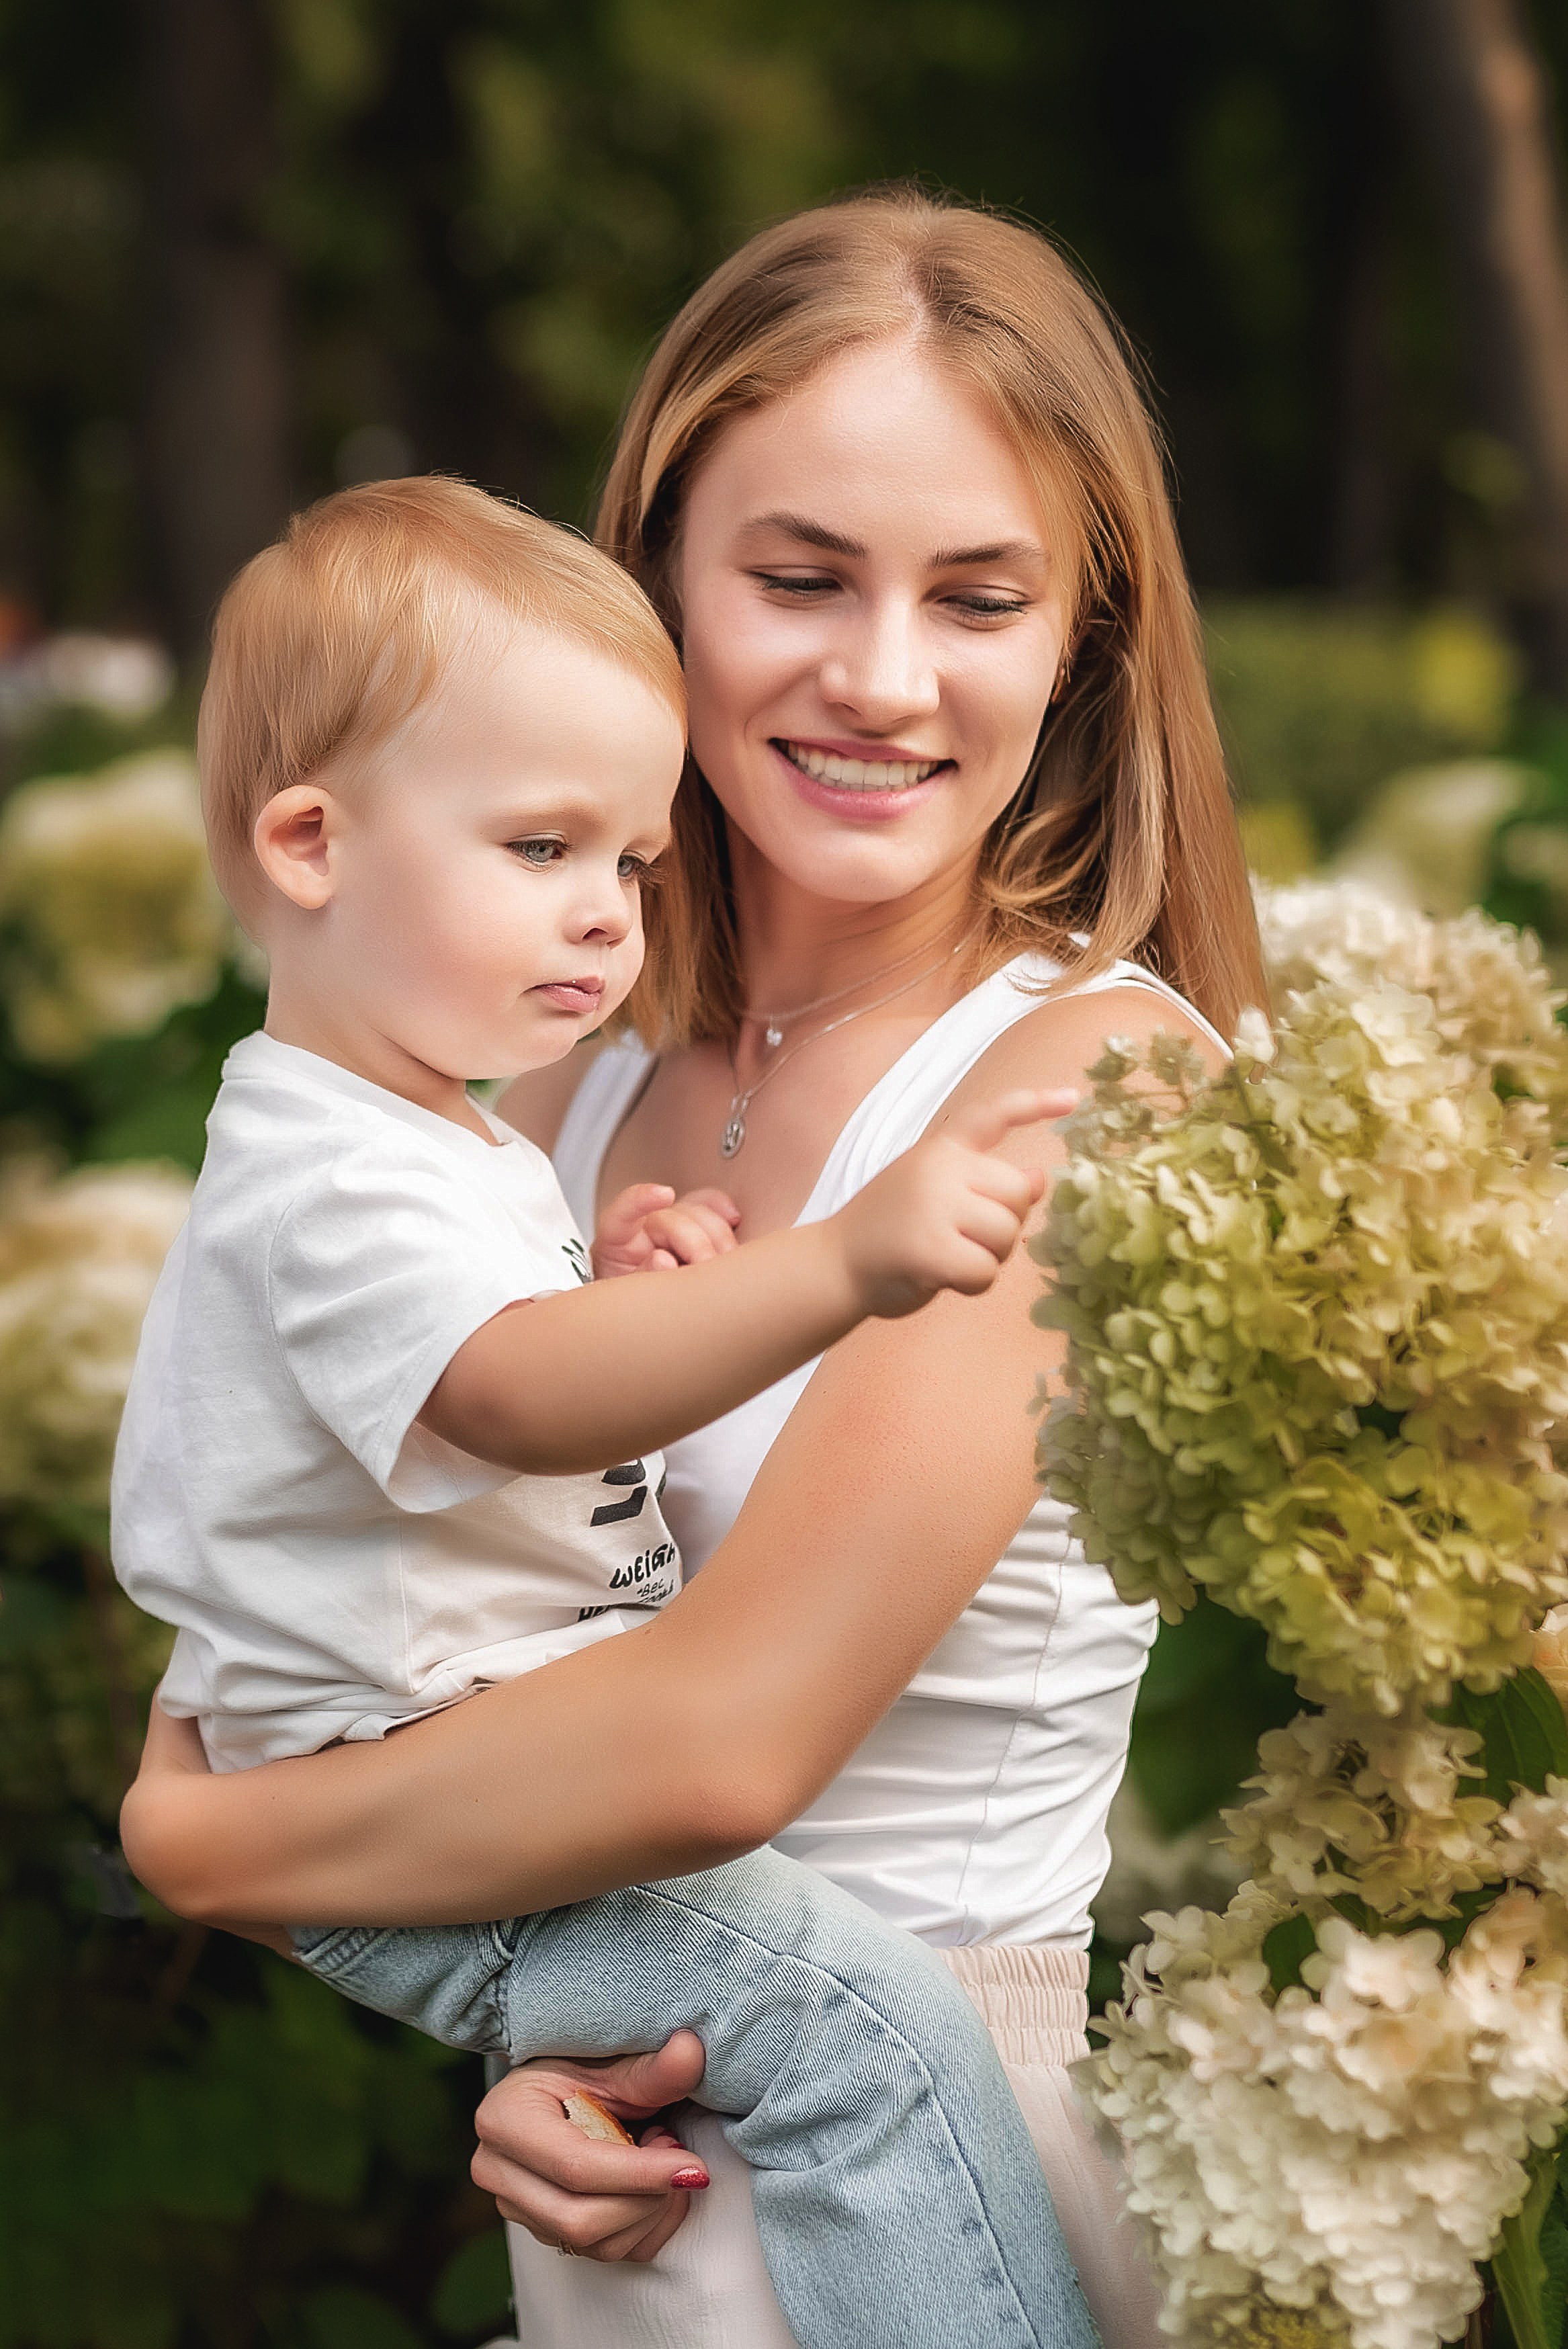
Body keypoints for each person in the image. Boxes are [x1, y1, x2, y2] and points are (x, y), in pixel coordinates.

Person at [122, 188, 1266, 2347]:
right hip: (639, 2186)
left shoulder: (1084, 1086)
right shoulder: (553, 1088)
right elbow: (347, 1627)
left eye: (980, 596)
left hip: (928, 2162)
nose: (884, 676)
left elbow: (723, 1743)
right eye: (799, 577)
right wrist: (528, 2027)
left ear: (1082, 640)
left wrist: (206, 1852)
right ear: (656, 582)